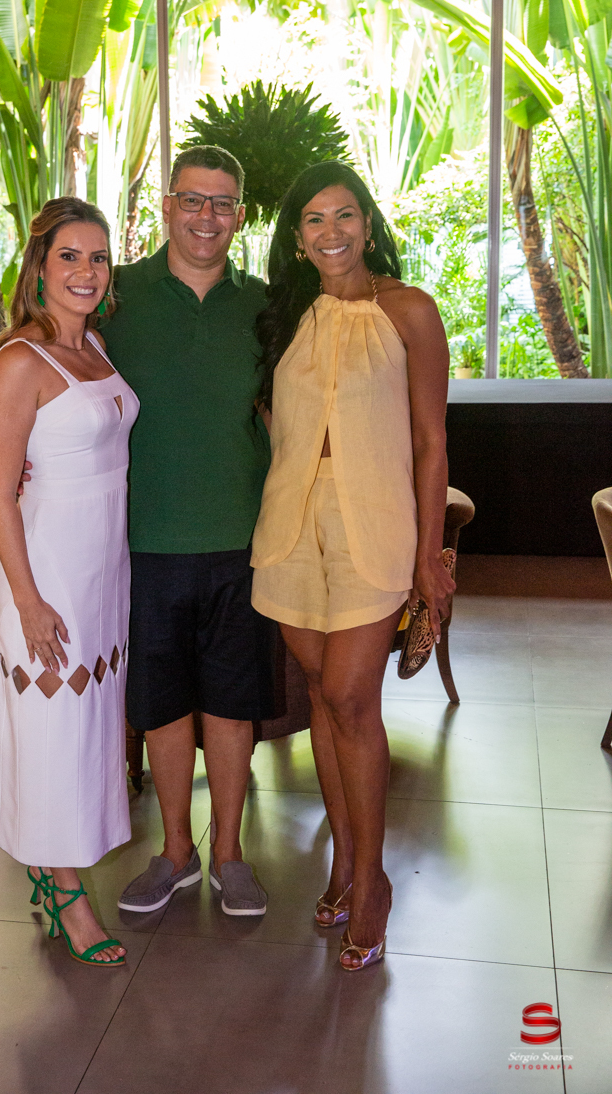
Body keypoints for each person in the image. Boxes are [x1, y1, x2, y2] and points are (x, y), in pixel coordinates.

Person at [250, 161, 454, 969]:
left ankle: (373, 882)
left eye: (344, 214)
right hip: (291, 526)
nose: (330, 231)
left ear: (368, 224)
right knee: (322, 701)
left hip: (376, 525)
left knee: (348, 697)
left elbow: (432, 441)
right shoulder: (286, 316)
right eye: (313, 219)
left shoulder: (410, 310)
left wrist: (431, 555)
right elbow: (272, 423)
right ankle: (343, 858)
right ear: (297, 239)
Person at [103, 145, 275, 917]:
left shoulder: (266, 305)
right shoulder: (117, 296)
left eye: (223, 203)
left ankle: (230, 855)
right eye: (193, 200)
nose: (207, 216)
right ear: (167, 206)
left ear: (239, 215)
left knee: (234, 706)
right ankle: (176, 851)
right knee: (163, 706)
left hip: (243, 541)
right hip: (143, 542)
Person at [0, 197, 139, 967]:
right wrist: (27, 601)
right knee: (51, 735)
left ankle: (56, 873)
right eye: (69, 256)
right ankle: (66, 896)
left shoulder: (96, 347)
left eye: (98, 257)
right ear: (40, 268)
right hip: (46, 575)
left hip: (102, 571)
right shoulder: (20, 362)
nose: (86, 271)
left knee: (86, 732)